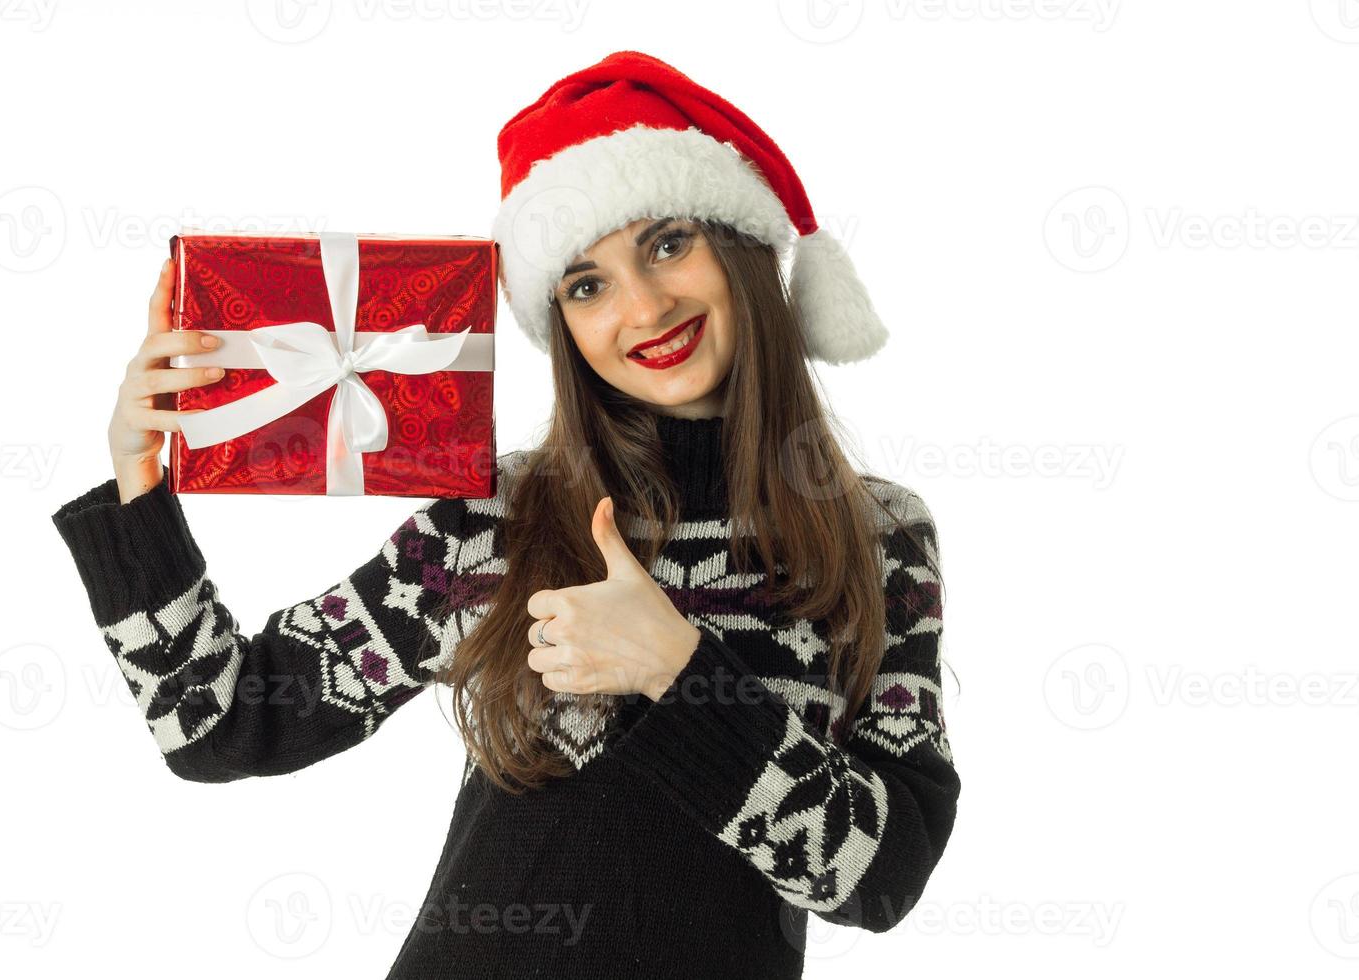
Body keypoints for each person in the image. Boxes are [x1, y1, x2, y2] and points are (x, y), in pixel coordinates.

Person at [51, 50, 959, 980]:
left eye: (667, 243)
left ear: (741, 248)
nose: (642, 307)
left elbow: (883, 881)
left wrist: (676, 672)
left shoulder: (878, 538)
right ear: (560, 322)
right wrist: (136, 480)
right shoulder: (501, 520)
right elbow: (221, 725)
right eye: (586, 284)